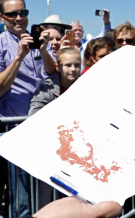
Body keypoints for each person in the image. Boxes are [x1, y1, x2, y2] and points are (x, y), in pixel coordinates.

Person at [0, 0, 56, 218]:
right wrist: (18, 58)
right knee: (21, 201)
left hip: (46, 130)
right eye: (12, 14)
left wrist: (43, 50)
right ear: (2, 17)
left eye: (23, 13)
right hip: (16, 133)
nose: (19, 18)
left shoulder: (40, 42)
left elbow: (52, 73)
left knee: (46, 198)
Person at [29, 47, 82, 209]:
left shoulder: (87, 85)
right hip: (51, 151)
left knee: (76, 198)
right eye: (68, 65)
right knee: (44, 197)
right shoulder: (46, 87)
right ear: (58, 67)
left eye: (77, 65)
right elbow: (34, 114)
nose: (73, 69)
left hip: (78, 153)